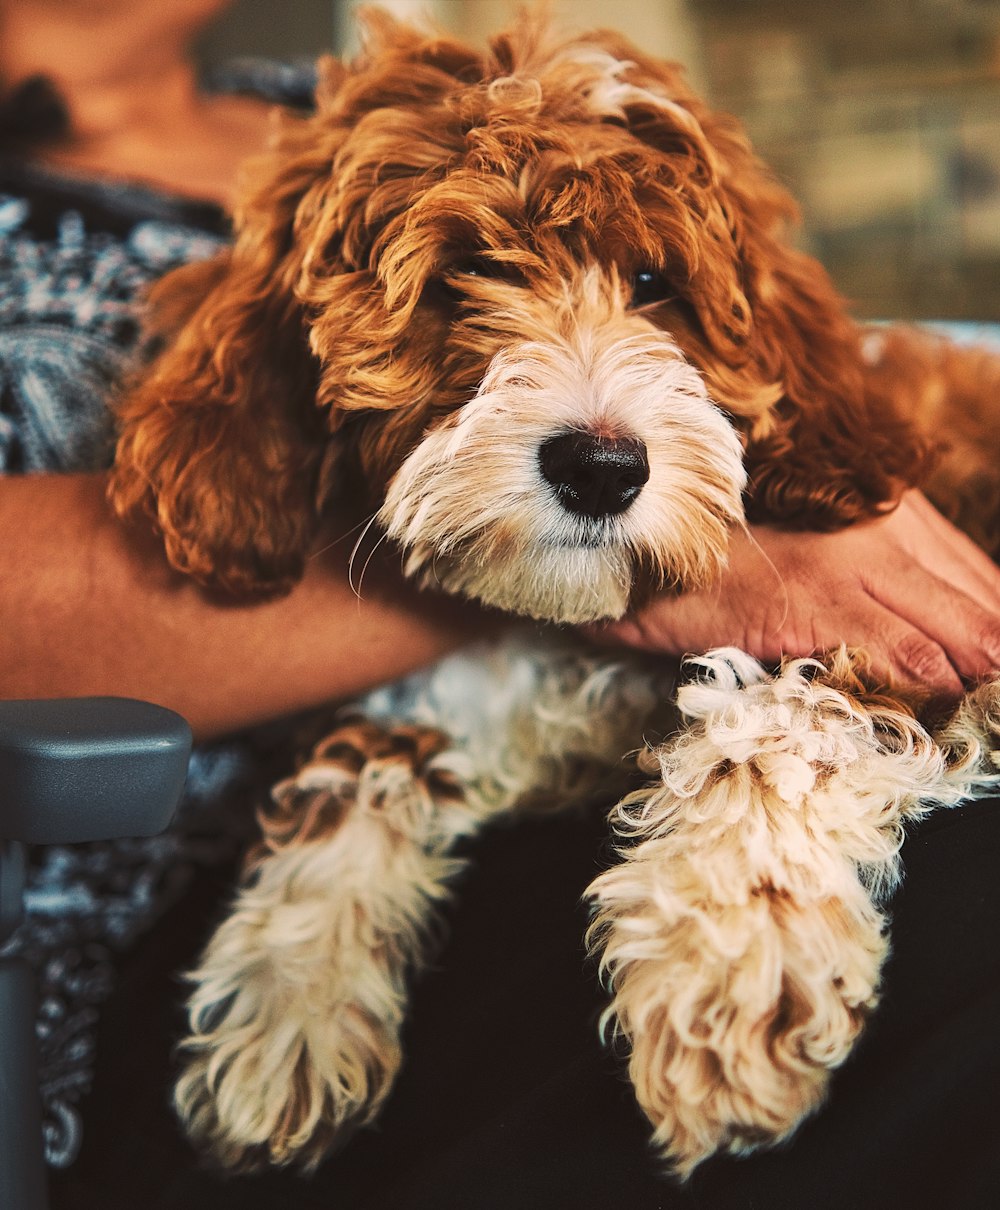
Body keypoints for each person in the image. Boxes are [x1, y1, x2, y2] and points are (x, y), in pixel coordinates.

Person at [2, 3, 998, 1207]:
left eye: (645, 282)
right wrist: (703, 564)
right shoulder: (281, 228)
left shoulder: (315, 99)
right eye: (463, 274)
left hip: (520, 764)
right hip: (142, 952)